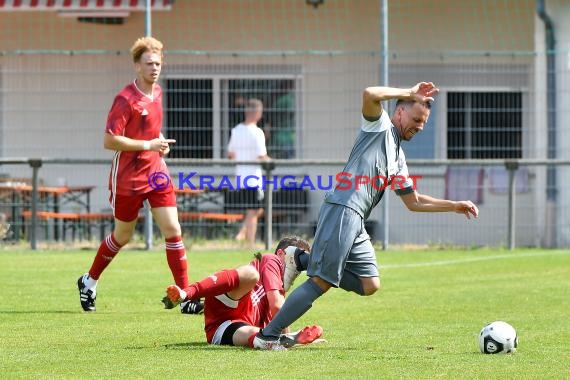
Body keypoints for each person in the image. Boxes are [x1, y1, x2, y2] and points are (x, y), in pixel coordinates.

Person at [253, 82, 480, 350]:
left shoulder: (398, 156)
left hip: (356, 219)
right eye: (416, 119)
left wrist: (453, 205)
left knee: (369, 283)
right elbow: (370, 94)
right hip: (344, 207)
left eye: (424, 123)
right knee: (322, 281)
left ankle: (301, 258)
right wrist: (409, 92)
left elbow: (414, 201)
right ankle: (267, 336)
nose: (420, 126)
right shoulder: (379, 127)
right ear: (399, 113)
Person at [77, 36, 203, 315]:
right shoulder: (125, 99)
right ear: (137, 66)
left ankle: (185, 296)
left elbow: (149, 130)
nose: (154, 68)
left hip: (156, 173)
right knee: (123, 236)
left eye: (158, 63)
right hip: (128, 177)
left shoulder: (157, 92)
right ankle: (89, 281)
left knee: (173, 231)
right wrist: (147, 145)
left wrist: (158, 144)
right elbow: (110, 140)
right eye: (148, 63)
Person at [164, 236, 323, 349]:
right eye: (299, 261)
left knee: (261, 336)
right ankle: (187, 294)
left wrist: (291, 339)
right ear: (282, 253)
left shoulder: (279, 292)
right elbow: (278, 308)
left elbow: (278, 317)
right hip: (228, 302)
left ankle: (275, 342)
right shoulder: (271, 260)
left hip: (225, 328)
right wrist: (292, 335)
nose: (298, 269)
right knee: (250, 274)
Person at [227, 98, 269, 248]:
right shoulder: (257, 132)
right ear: (257, 112)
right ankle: (249, 242)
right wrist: (272, 161)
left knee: (256, 209)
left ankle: (243, 233)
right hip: (253, 178)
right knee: (253, 210)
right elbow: (262, 155)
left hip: (240, 176)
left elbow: (230, 154)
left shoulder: (236, 130)